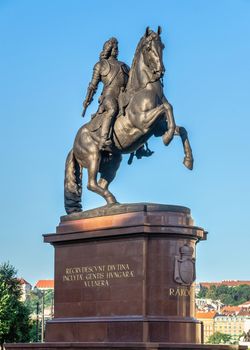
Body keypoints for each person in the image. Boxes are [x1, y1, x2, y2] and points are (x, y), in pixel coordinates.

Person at [82, 37, 129, 150]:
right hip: (109, 97)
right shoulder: (100, 65)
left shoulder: (124, 66)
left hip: (123, 95)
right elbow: (93, 86)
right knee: (112, 109)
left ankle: (140, 147)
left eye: (117, 48)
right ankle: (104, 138)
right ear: (108, 49)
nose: (116, 50)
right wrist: (87, 100)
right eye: (114, 47)